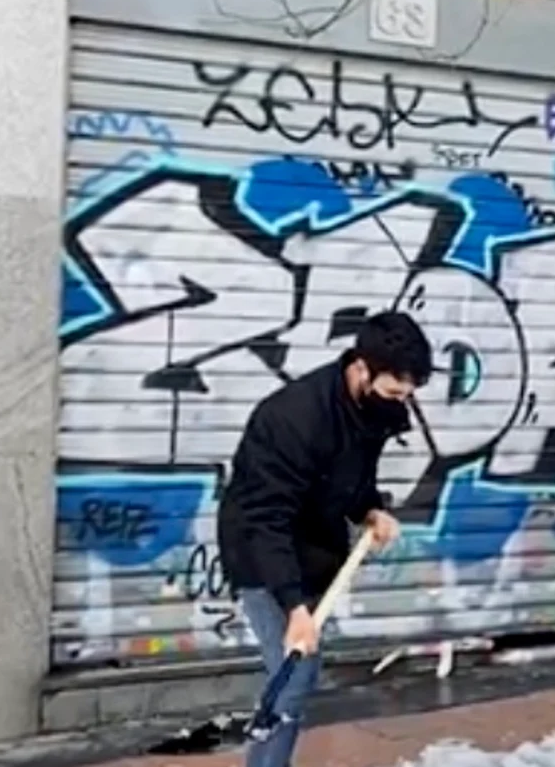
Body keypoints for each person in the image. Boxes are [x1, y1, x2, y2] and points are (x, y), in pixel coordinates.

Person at [217, 311, 434, 767]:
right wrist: (294, 607)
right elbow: (265, 519)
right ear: (361, 367)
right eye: (395, 391)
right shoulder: (293, 419)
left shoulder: (374, 407)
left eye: (409, 393)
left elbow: (353, 478)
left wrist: (370, 509)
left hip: (315, 542)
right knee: (293, 675)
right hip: (261, 548)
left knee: (302, 671)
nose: (402, 401)